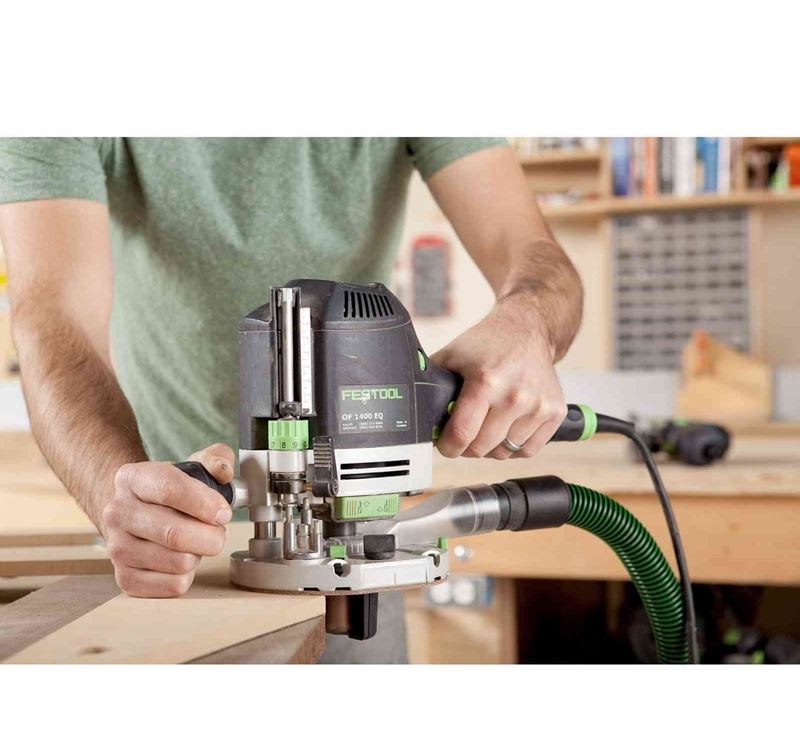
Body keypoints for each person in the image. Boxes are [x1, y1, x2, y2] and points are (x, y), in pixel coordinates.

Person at [0, 138, 583, 663]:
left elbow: (534, 255)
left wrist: (527, 321)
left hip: (365, 541)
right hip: (176, 531)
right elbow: (54, 319)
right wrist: (125, 501)